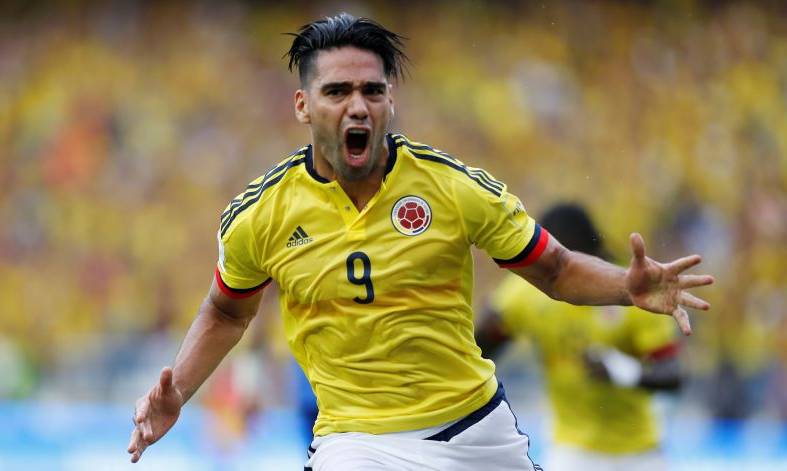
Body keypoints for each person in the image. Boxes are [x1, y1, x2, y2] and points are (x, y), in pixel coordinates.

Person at [127, 13, 713, 470]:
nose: (358, 105)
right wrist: (177, 389)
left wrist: (624, 286)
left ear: (389, 100)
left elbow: (554, 269)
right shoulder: (261, 215)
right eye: (337, 92)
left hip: (474, 428)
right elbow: (227, 311)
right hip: (356, 439)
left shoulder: (452, 186)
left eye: (372, 91)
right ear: (303, 105)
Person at [476, 203, 683, 471]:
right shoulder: (525, 294)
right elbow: (478, 350)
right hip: (572, 451)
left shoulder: (631, 294)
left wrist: (624, 371)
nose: (556, 268)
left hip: (639, 450)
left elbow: (674, 376)